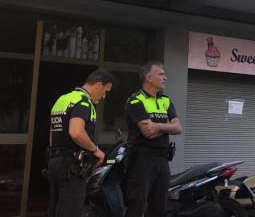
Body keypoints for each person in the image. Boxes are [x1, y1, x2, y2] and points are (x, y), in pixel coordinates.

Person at [47, 69, 115, 217]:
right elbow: (76, 132)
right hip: (71, 165)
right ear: (98, 85)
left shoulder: (63, 98)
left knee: (56, 207)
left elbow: (52, 136)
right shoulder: (83, 101)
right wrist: (96, 150)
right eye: (105, 91)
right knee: (71, 209)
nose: (104, 96)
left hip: (55, 161)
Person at [125, 61, 183, 217]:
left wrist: (158, 126)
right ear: (148, 78)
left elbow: (178, 128)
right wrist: (167, 126)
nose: (165, 77)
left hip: (162, 159)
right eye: (161, 74)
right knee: (138, 204)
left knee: (159, 205)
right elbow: (147, 132)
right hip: (142, 160)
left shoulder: (166, 100)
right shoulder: (136, 101)